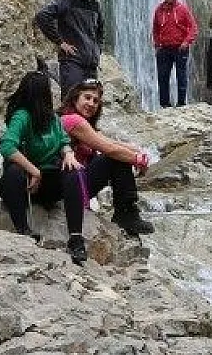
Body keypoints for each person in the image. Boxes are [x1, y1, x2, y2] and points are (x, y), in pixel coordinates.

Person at [0, 67, 87, 261]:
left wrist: (69, 154)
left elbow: (63, 142)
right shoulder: (22, 116)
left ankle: (76, 238)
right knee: (13, 172)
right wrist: (34, 171)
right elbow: (7, 147)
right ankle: (23, 228)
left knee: (73, 171)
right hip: (23, 185)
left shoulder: (53, 118)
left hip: (46, 184)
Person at [60, 80, 155, 239]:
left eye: (95, 101)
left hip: (75, 183)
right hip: (67, 185)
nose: (91, 103)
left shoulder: (83, 123)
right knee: (114, 158)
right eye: (87, 98)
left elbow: (112, 142)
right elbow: (108, 149)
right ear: (75, 98)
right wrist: (138, 160)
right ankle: (126, 213)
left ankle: (127, 213)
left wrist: (137, 151)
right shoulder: (72, 120)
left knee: (118, 155)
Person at [35, 0, 106, 98]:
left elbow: (101, 30)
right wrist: (60, 42)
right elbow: (42, 16)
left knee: (89, 109)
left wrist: (97, 50)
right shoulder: (68, 1)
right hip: (72, 64)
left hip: (91, 67)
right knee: (70, 103)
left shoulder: (96, 5)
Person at [151, 0, 198, 108]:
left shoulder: (182, 9)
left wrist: (186, 42)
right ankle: (165, 104)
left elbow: (193, 28)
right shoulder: (158, 10)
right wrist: (157, 44)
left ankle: (181, 103)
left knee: (181, 76)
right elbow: (155, 29)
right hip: (164, 49)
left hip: (180, 48)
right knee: (162, 77)